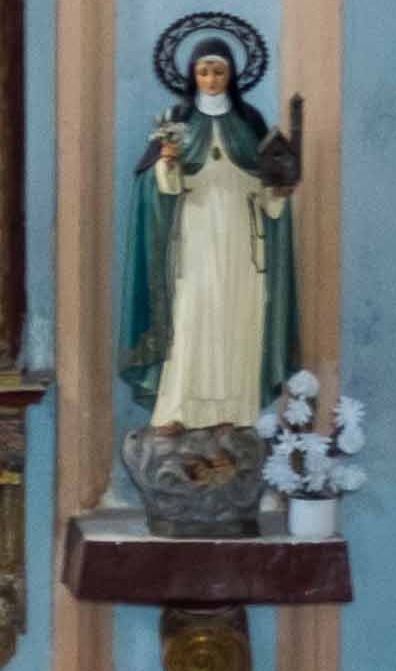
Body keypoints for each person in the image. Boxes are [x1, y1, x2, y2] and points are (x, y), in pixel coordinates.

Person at [120, 40, 302, 432]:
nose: (212, 79)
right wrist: (166, 166)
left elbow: (265, 187)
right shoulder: (177, 121)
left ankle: (233, 413)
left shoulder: (249, 123)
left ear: (231, 74)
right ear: (192, 75)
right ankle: (177, 411)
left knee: (238, 320)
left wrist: (278, 192)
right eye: (204, 71)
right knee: (189, 319)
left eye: (219, 71)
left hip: (242, 242)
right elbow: (157, 188)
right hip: (194, 237)